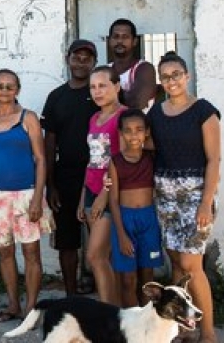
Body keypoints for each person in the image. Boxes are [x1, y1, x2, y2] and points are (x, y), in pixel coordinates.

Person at [148, 52, 221, 343]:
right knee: (177, 264)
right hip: (164, 196)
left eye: (176, 74)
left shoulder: (204, 111)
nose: (172, 80)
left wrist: (206, 202)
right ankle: (184, 328)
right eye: (165, 76)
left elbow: (214, 159)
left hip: (195, 197)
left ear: (187, 75)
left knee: (193, 265)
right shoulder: (156, 112)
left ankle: (208, 332)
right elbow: (154, 144)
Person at [0, 69, 52, 321]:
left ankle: (31, 308)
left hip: (26, 194)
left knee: (31, 253)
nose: (5, 90)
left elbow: (40, 160)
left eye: (10, 86)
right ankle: (12, 304)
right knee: (5, 252)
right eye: (0, 86)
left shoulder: (28, 118)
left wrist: (38, 197)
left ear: (17, 89)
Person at [40, 40, 99, 296]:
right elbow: (49, 144)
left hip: (98, 176)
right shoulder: (56, 97)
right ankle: (72, 295)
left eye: (87, 58)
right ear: (68, 59)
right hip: (65, 177)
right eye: (77, 57)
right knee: (67, 241)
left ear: (94, 62)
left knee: (100, 238)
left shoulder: (101, 94)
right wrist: (50, 185)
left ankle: (106, 293)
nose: (81, 62)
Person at [78, 65, 125, 306]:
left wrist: (104, 196)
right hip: (91, 190)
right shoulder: (94, 118)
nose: (97, 91)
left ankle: (109, 315)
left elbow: (121, 162)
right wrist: (84, 196)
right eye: (93, 87)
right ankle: (114, 311)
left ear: (117, 86)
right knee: (101, 257)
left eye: (103, 86)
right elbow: (94, 160)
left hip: (112, 194)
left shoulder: (125, 117)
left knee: (95, 255)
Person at [107, 109, 163, 308]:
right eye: (128, 131)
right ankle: (131, 323)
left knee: (148, 276)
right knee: (128, 279)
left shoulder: (151, 157)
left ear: (147, 132)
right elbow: (113, 200)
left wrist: (147, 137)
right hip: (125, 220)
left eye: (139, 130)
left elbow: (160, 141)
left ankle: (148, 320)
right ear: (121, 133)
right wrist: (121, 235)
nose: (133, 135)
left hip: (148, 219)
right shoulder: (115, 161)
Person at [108, 18, 157, 111]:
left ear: (134, 41)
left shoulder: (144, 68)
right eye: (116, 36)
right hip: (111, 125)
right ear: (110, 40)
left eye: (125, 37)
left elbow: (136, 103)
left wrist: (107, 96)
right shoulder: (104, 70)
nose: (119, 41)